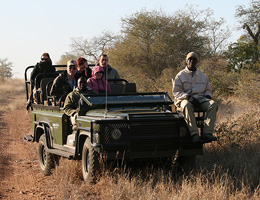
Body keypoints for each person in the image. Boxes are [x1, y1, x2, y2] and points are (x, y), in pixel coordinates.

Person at [172, 52, 218, 143]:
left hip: (200, 98)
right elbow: (176, 92)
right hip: (185, 99)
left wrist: (207, 96)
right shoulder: (180, 75)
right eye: (190, 59)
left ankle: (207, 133)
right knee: (187, 106)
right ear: (187, 61)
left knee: (213, 104)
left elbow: (208, 90)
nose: (192, 61)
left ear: (197, 62)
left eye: (194, 60)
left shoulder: (203, 76)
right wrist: (188, 97)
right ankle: (195, 134)